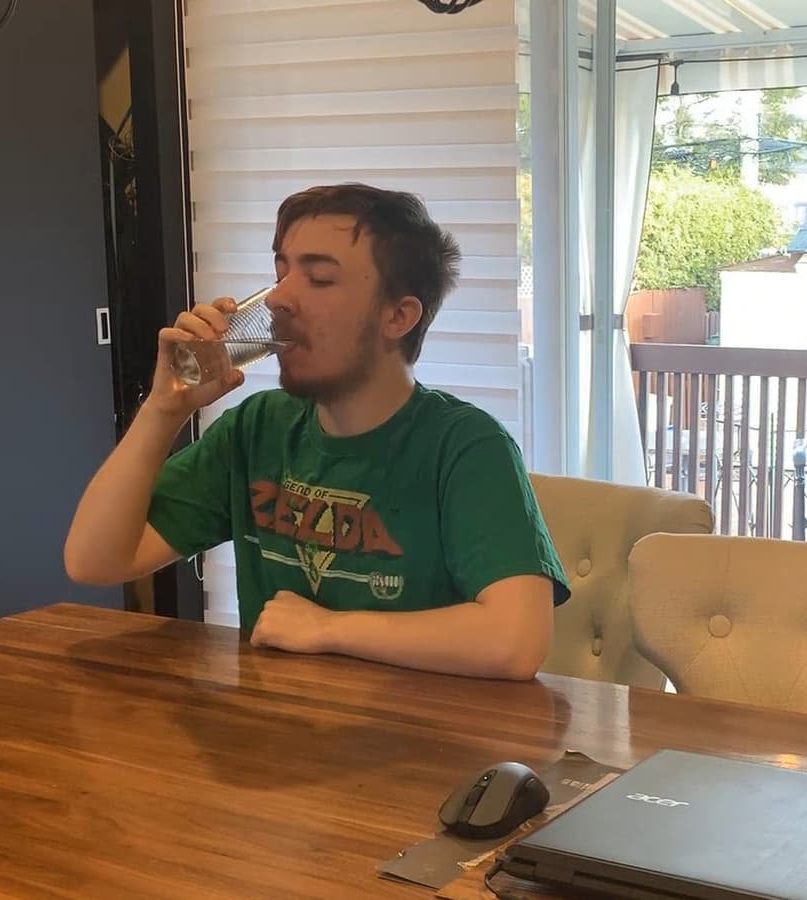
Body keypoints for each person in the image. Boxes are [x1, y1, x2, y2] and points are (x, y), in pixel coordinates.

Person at [64, 183, 569, 681]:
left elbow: (516, 642)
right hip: (278, 723)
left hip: (414, 730)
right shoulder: (256, 429)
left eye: (320, 279)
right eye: (281, 272)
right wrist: (162, 410)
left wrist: (328, 628)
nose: (279, 298)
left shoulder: (466, 447)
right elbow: (94, 561)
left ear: (398, 316)